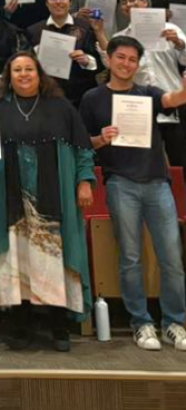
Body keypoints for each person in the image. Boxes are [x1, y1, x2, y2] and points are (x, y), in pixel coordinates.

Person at [79, 36, 186, 351]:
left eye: (132, 59)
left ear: (138, 65)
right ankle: (141, 323)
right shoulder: (92, 98)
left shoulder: (147, 93)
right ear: (109, 58)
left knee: (172, 257)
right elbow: (82, 142)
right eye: (121, 57)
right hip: (120, 183)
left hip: (157, 182)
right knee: (130, 258)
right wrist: (102, 138)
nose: (126, 64)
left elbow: (172, 99)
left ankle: (175, 323)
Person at [0, 52, 95, 352]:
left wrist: (84, 181)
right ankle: (21, 326)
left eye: (29, 69)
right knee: (17, 256)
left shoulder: (61, 107)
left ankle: (59, 326)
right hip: (12, 195)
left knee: (53, 256)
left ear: (39, 73)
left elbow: (83, 148)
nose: (23, 74)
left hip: (55, 194)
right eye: (17, 70)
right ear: (9, 77)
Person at [93, 0, 186, 167]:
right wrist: (99, 31)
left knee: (178, 157)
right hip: (141, 105)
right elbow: (110, 64)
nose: (128, 5)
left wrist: (178, 42)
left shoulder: (170, 29)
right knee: (146, 161)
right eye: (124, 2)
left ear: (145, 2)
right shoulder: (121, 37)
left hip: (173, 99)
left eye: (133, 0)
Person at [27, 0, 100, 107]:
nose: (58, 2)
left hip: (80, 97)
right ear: (46, 3)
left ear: (70, 2)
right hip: (46, 98)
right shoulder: (34, 31)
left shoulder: (86, 27)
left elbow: (100, 63)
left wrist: (87, 61)